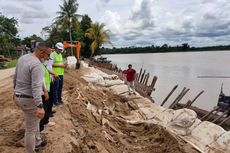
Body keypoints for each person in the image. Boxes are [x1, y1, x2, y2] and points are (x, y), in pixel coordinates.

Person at [13, 42, 50, 153]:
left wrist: (14, 91)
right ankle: (30, 150)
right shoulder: (37, 65)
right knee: (30, 129)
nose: (48, 58)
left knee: (35, 121)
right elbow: (36, 87)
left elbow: (15, 77)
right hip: (29, 99)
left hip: (19, 97)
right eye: (48, 55)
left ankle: (37, 143)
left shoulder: (22, 58)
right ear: (42, 52)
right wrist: (40, 106)